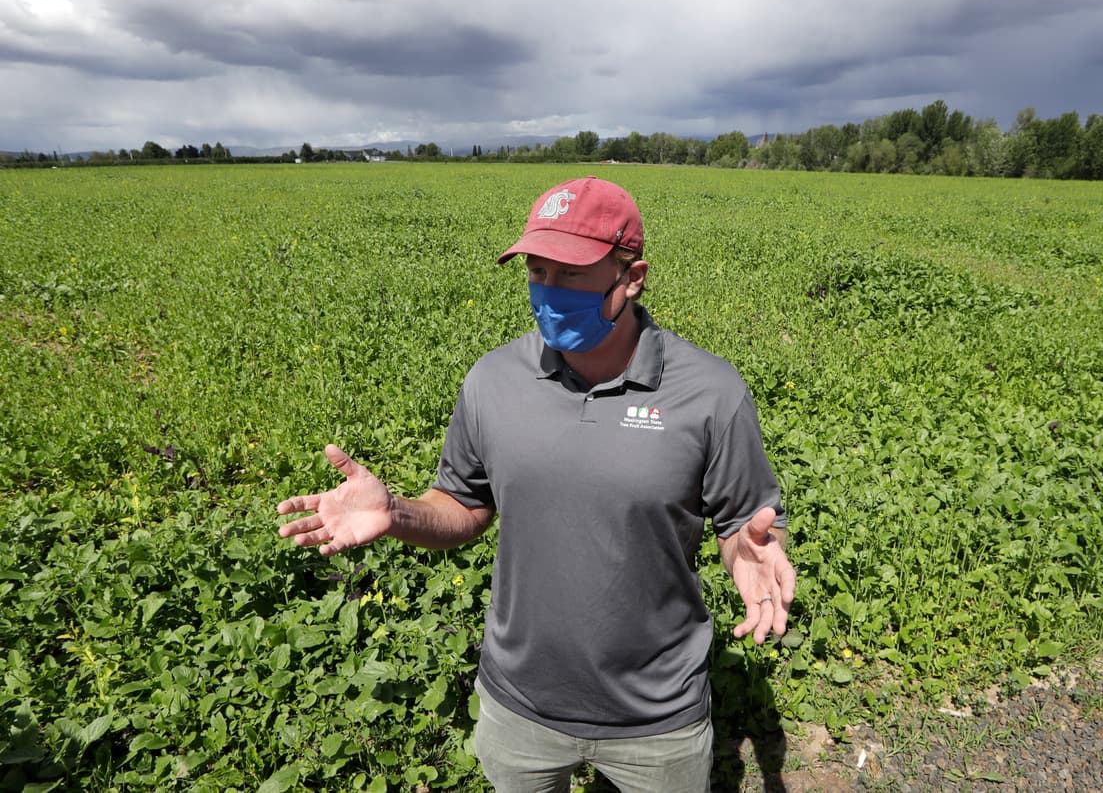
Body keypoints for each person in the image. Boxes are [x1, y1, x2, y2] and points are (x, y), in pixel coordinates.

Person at [277, 176, 796, 792]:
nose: (548, 293)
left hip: (657, 717)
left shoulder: (710, 393)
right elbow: (464, 506)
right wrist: (397, 512)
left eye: (571, 274)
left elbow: (745, 524)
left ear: (631, 278)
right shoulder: (494, 382)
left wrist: (749, 549)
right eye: (537, 272)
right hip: (518, 702)